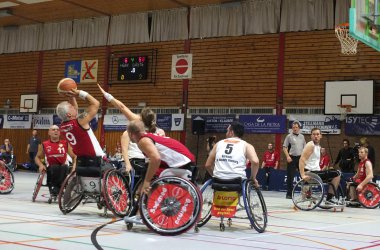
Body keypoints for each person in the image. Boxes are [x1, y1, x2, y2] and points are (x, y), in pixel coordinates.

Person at [124, 120, 195, 223]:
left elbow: (156, 159)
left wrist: (147, 182)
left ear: (131, 134)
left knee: (149, 178)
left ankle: (151, 210)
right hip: (185, 161)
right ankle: (143, 210)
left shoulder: (143, 141)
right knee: (147, 170)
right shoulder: (149, 136)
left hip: (182, 163)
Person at [97, 84, 165, 174]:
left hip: (143, 160)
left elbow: (122, 107)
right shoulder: (158, 131)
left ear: (141, 118)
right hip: (140, 160)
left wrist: (106, 95)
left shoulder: (141, 124)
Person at [56, 78, 112, 177]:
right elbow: (96, 104)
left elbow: (75, 110)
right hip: (97, 160)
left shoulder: (62, 126)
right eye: (71, 107)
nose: (74, 107)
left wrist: (71, 97)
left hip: (82, 162)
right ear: (69, 114)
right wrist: (79, 93)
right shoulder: (80, 122)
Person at [205, 121, 259, 187]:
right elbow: (255, 162)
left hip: (218, 182)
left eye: (227, 131)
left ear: (231, 132)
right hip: (237, 182)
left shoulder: (218, 144)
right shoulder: (247, 145)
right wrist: (252, 178)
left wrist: (215, 176)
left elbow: (208, 165)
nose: (226, 133)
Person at [299, 128, 341, 204]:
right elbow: (302, 160)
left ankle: (331, 197)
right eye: (314, 134)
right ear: (311, 136)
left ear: (321, 136)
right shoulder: (310, 145)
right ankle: (329, 199)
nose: (316, 136)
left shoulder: (318, 147)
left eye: (318, 134)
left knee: (335, 173)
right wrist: (303, 175)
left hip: (316, 172)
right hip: (311, 173)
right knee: (337, 174)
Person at [35, 125, 77, 198]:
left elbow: (74, 156)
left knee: (64, 167)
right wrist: (41, 165)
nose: (56, 131)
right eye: (53, 129)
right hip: (51, 168)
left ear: (60, 132)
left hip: (64, 167)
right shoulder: (44, 144)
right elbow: (37, 157)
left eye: (57, 130)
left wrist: (74, 166)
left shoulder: (65, 143)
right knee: (55, 167)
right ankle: (56, 188)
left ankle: (57, 188)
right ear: (49, 132)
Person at [283, 121, 306, 199]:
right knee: (290, 176)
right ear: (292, 128)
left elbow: (305, 148)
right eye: (293, 127)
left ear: (299, 128)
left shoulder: (302, 137)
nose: (295, 129)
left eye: (296, 127)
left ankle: (305, 193)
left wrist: (305, 158)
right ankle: (289, 194)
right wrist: (287, 156)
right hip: (292, 158)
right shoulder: (288, 136)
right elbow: (284, 147)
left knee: (304, 175)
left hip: (300, 158)